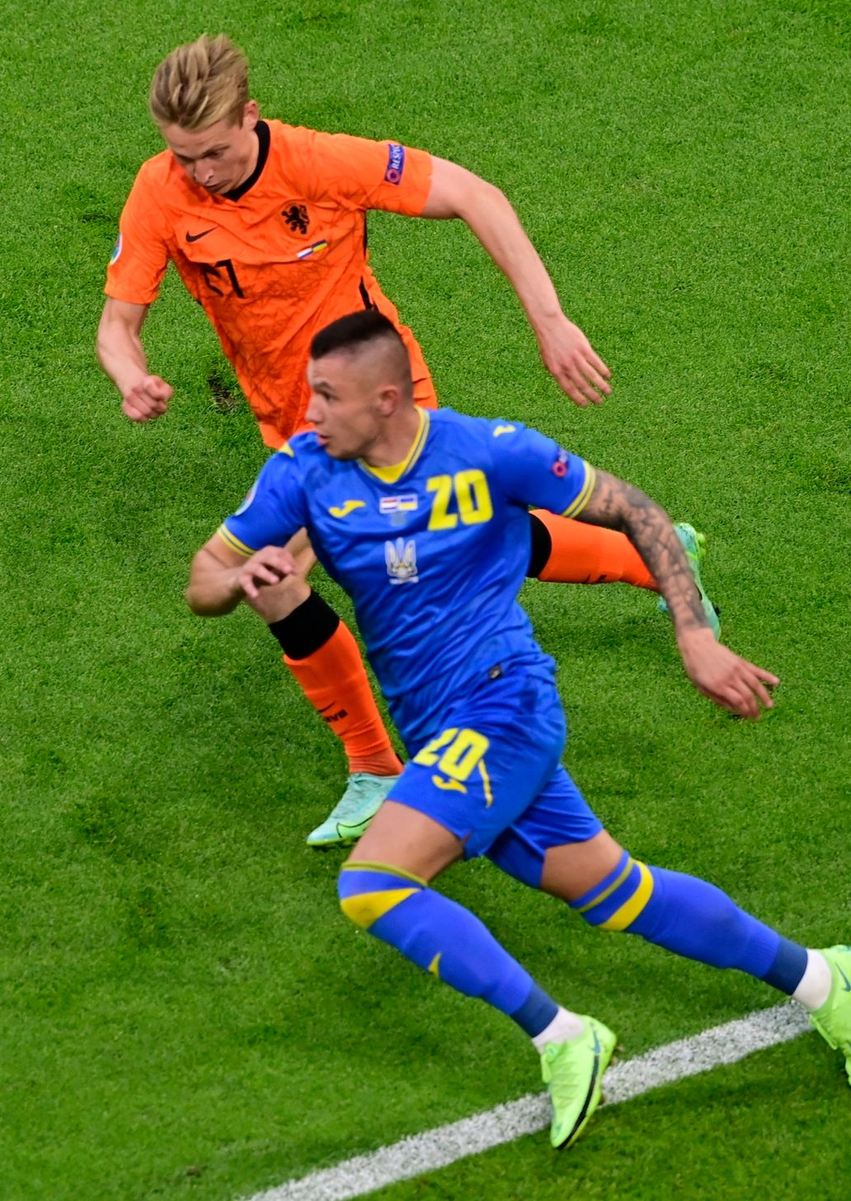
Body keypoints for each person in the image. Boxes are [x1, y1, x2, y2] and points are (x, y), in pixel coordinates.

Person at [185, 310, 850, 1148]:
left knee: (374, 884)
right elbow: (202, 578)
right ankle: (826, 980)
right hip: (441, 729)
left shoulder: (490, 449)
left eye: (327, 395)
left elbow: (637, 510)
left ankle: (563, 1034)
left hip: (505, 703)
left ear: (387, 399)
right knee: (619, 893)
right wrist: (242, 575)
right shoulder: (304, 471)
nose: (308, 410)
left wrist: (695, 634)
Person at [99, 33, 718, 847]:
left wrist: (551, 320)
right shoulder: (161, 191)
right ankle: (653, 553)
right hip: (295, 421)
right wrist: (129, 375)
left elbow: (475, 194)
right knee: (454, 537)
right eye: (182, 157)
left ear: (251, 117)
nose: (199, 174)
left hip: (381, 405)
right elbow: (118, 322)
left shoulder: (318, 162)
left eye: (212, 153)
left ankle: (375, 766)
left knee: (316, 573)